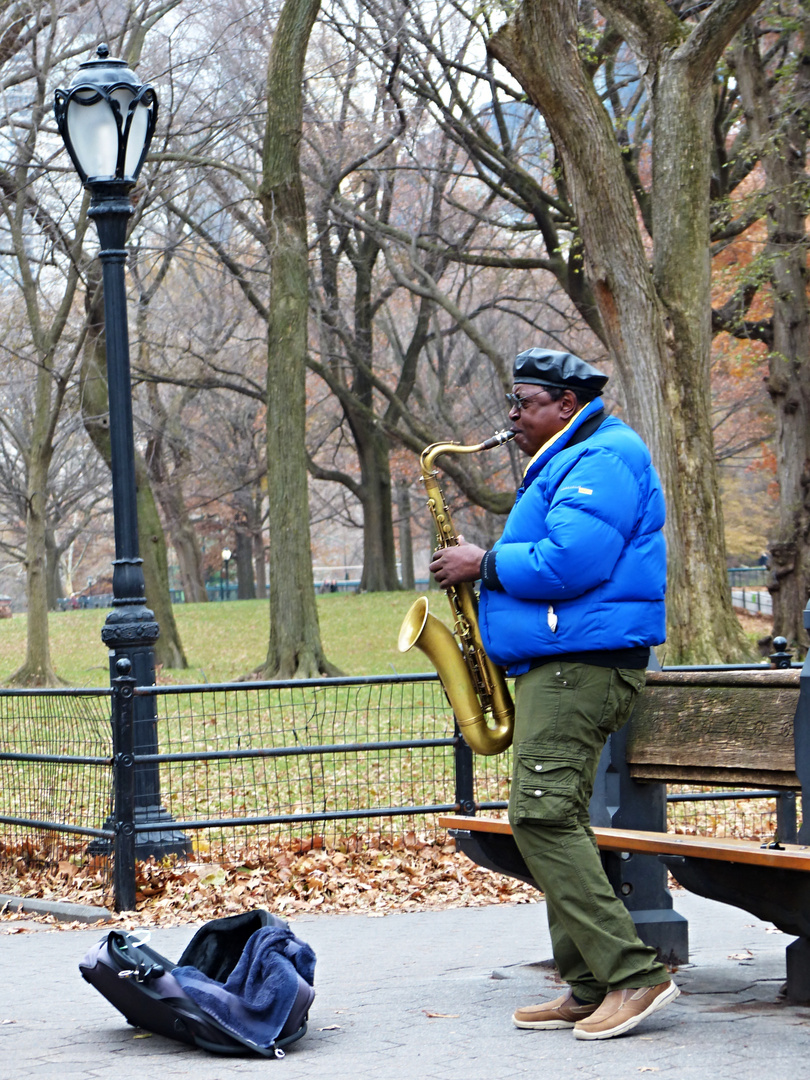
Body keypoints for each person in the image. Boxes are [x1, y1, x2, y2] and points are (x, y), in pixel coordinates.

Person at [429, 347, 678, 1041]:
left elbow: (572, 562)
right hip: (563, 662)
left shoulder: (602, 457)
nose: (511, 416)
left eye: (524, 402)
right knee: (552, 815)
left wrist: (484, 562)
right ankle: (589, 983)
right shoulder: (575, 456)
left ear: (566, 405)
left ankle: (634, 975)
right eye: (512, 403)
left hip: (582, 665)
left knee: (539, 816)